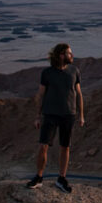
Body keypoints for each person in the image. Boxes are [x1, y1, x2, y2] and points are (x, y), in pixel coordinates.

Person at [26, 42, 84, 193]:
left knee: (65, 147)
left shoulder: (74, 71)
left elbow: (78, 94)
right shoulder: (47, 73)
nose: (72, 56)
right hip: (50, 114)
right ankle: (38, 177)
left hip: (68, 114)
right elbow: (41, 95)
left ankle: (61, 178)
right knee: (43, 146)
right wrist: (37, 116)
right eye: (70, 53)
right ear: (61, 55)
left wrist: (81, 115)